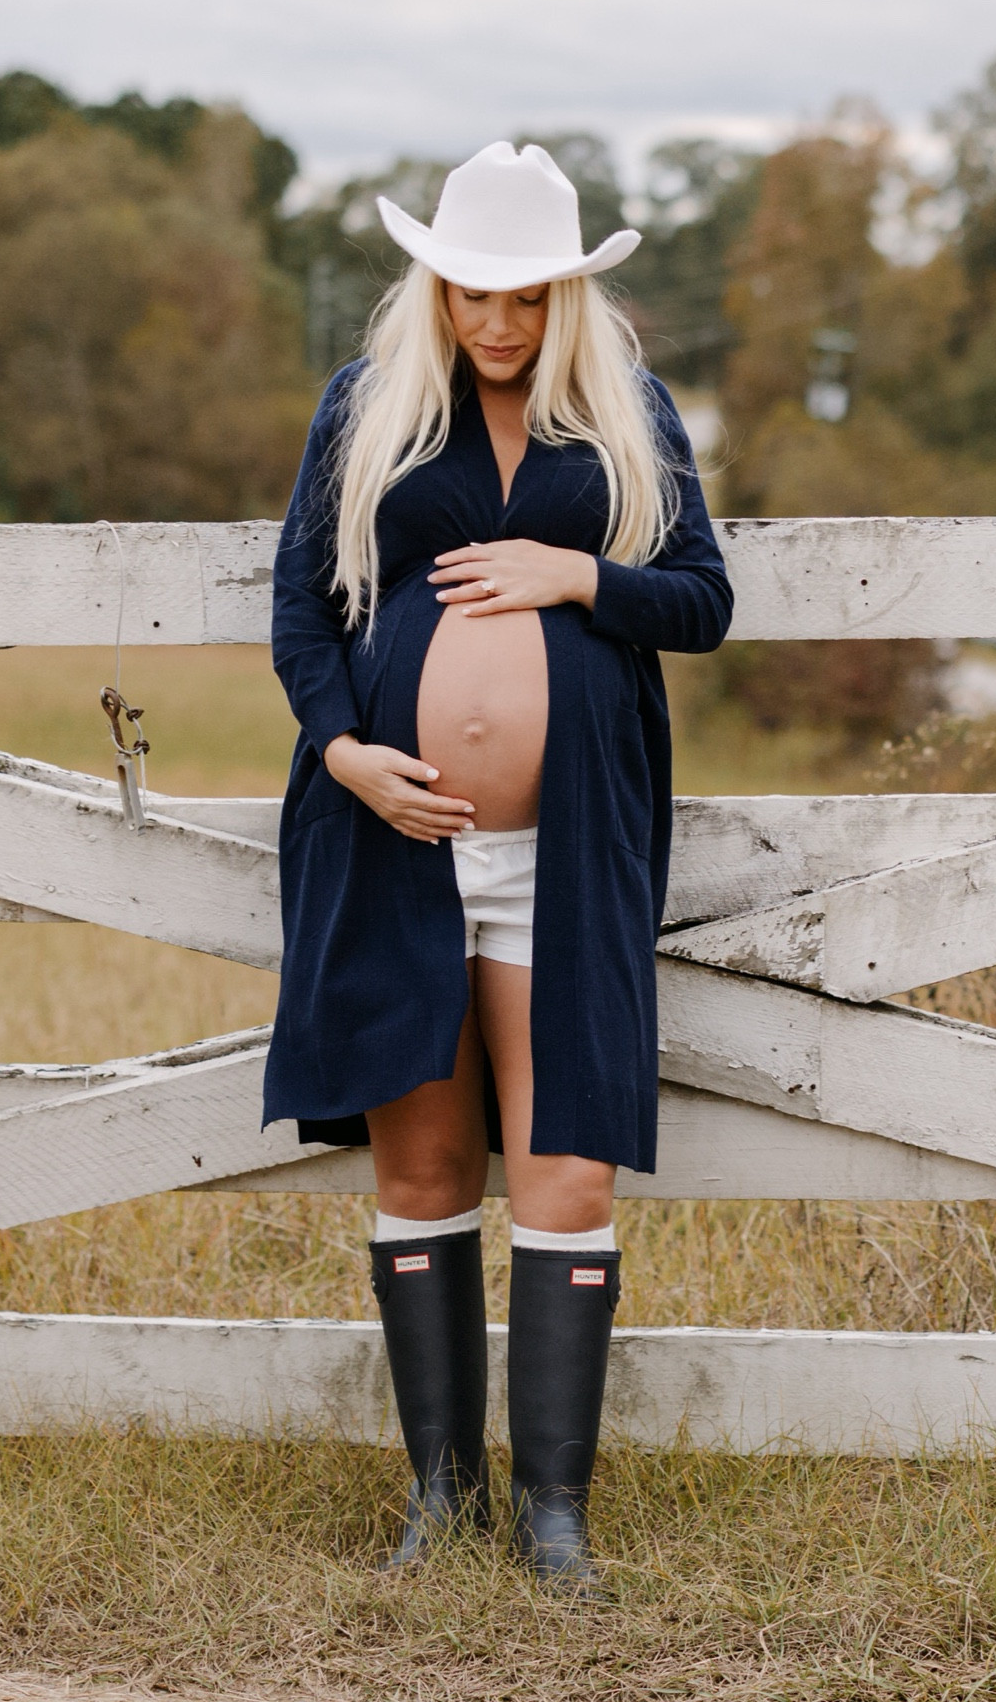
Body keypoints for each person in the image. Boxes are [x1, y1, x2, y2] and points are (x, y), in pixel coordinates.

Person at [265, 141, 733, 1592]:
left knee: (568, 1168)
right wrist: (347, 750)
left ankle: (555, 1514)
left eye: (527, 296)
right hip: (394, 843)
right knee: (420, 1165)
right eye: (474, 292)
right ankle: (438, 1496)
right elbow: (301, 608)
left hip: (568, 853)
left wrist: (575, 573)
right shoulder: (371, 405)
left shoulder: (626, 414)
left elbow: (704, 601)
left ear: (567, 295)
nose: (498, 322)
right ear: (437, 285)